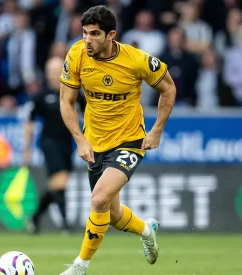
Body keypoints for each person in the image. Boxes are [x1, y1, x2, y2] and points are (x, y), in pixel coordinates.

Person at [58, 5, 176, 275]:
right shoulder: (76, 54)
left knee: (98, 200)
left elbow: (168, 87)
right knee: (111, 214)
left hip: (129, 141)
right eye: (85, 33)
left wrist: (157, 129)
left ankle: (80, 266)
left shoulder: (136, 60)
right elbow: (66, 101)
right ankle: (147, 231)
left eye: (95, 34)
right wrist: (80, 139)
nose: (88, 40)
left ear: (111, 35)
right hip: (94, 142)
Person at [22, 56, 86, 235]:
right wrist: (26, 148)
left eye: (57, 70)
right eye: (51, 71)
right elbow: (30, 122)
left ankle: (34, 218)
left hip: (68, 143)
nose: (54, 74)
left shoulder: (73, 92)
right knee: (61, 180)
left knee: (57, 184)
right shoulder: (41, 96)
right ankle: (65, 225)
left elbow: (88, 112)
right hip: (49, 143)